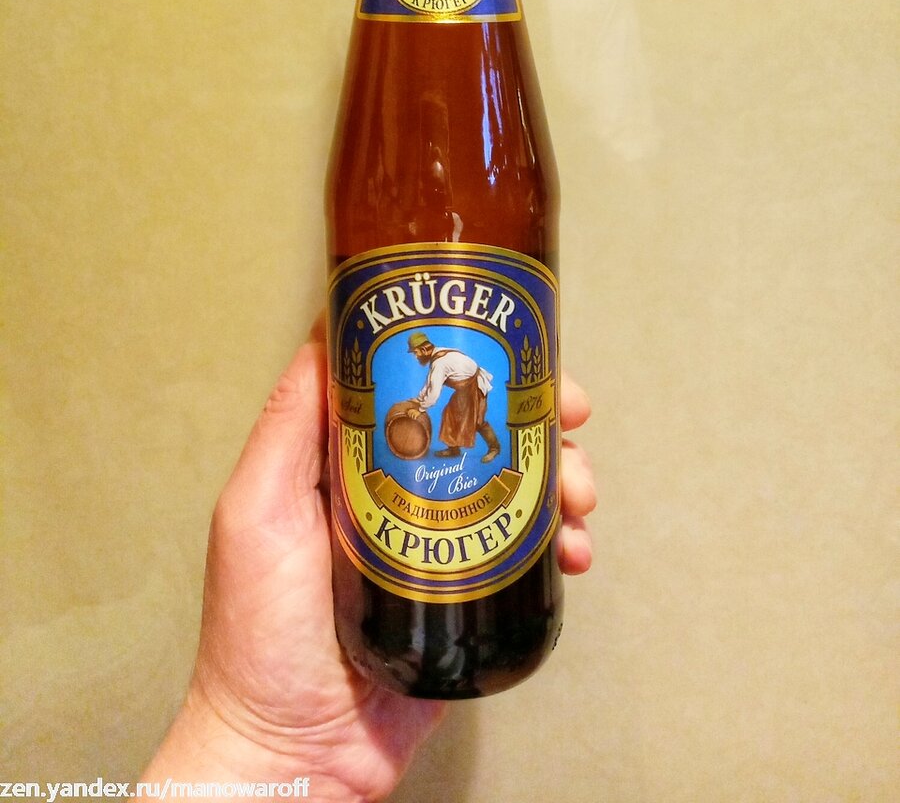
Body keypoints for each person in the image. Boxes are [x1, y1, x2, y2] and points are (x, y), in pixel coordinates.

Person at [140, 316, 596, 801]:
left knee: (473, 415)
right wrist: (254, 736)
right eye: (419, 354)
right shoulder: (440, 362)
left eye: (419, 352)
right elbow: (428, 392)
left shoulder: (442, 364)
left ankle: (489, 447)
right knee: (461, 418)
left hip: (472, 397)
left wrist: (254, 742)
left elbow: (429, 393)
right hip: (330, 689)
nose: (420, 357)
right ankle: (467, 448)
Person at [406, 331, 501, 462]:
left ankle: (494, 448)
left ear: (423, 350)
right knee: (449, 414)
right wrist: (419, 399)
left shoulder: (439, 364)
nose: (416, 356)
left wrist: (421, 409)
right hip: (464, 389)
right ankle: (453, 449)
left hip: (475, 386)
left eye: (416, 352)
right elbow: (430, 382)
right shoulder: (438, 355)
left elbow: (434, 392)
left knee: (477, 421)